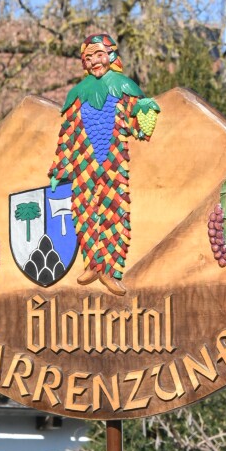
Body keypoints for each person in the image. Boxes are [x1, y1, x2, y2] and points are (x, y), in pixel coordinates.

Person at [49, 32, 159, 296]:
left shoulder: (124, 88)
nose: (94, 62)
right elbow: (67, 135)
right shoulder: (77, 94)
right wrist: (59, 170)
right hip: (83, 164)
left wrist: (146, 112)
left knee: (114, 213)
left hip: (113, 162)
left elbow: (138, 129)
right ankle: (93, 264)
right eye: (89, 58)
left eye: (99, 55)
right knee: (84, 213)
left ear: (110, 55)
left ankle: (111, 269)